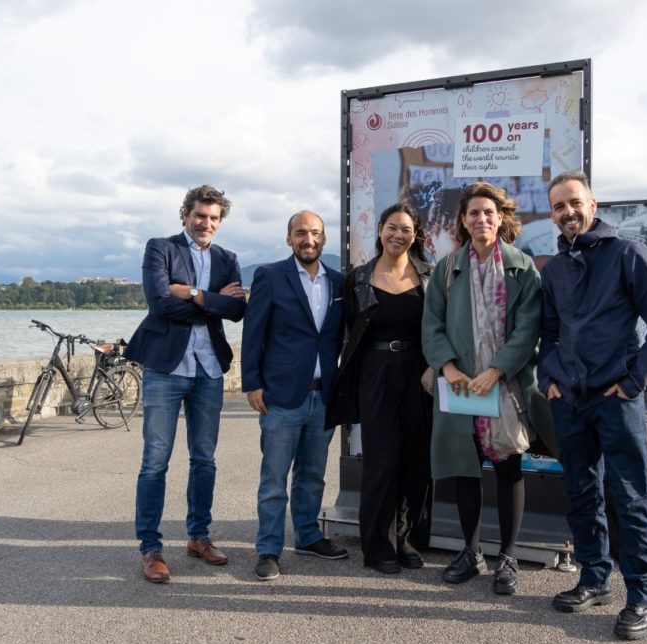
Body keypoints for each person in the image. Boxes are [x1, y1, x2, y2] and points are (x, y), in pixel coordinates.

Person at [538, 170, 647, 641]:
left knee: (630, 496)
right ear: (552, 214)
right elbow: (549, 333)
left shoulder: (627, 254)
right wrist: (548, 379)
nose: (568, 212)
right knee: (581, 492)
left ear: (593, 205)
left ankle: (641, 594)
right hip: (569, 400)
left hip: (616, 398)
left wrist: (636, 380)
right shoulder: (554, 269)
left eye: (574, 203)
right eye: (558, 206)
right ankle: (594, 578)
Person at [422, 181, 546, 596]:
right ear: (463, 220)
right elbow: (432, 324)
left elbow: (529, 329)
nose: (481, 219)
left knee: (509, 467)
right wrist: (449, 366)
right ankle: (471, 552)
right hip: (459, 385)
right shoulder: (446, 268)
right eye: (473, 213)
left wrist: (497, 369)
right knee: (463, 467)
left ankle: (507, 556)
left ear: (501, 218)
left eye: (489, 213)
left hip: (505, 385)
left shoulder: (521, 267)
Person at [124, 184, 247, 583]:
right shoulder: (160, 248)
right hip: (165, 367)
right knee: (155, 461)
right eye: (200, 215)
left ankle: (198, 536)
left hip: (209, 369)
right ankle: (151, 548)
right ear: (185, 215)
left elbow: (237, 310)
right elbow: (159, 302)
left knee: (205, 459)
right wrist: (211, 302)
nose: (206, 223)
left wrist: (193, 293)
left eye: (213, 218)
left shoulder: (228, 259)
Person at [326, 202, 433, 575]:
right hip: (374, 372)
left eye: (405, 229)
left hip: (419, 374)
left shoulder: (430, 275)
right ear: (380, 231)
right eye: (392, 227)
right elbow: (344, 332)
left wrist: (436, 367)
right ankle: (377, 545)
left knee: (415, 461)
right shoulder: (357, 278)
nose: (398, 235)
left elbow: (440, 328)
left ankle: (404, 540)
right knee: (381, 461)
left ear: (415, 235)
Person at [242, 210, 348, 581]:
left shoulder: (339, 283)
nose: (309, 240)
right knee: (274, 478)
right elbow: (253, 334)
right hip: (281, 395)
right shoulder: (270, 276)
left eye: (316, 233)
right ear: (289, 238)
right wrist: (251, 383)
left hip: (324, 396)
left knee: (313, 475)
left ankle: (307, 535)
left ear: (324, 239)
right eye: (301, 233)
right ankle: (268, 549)